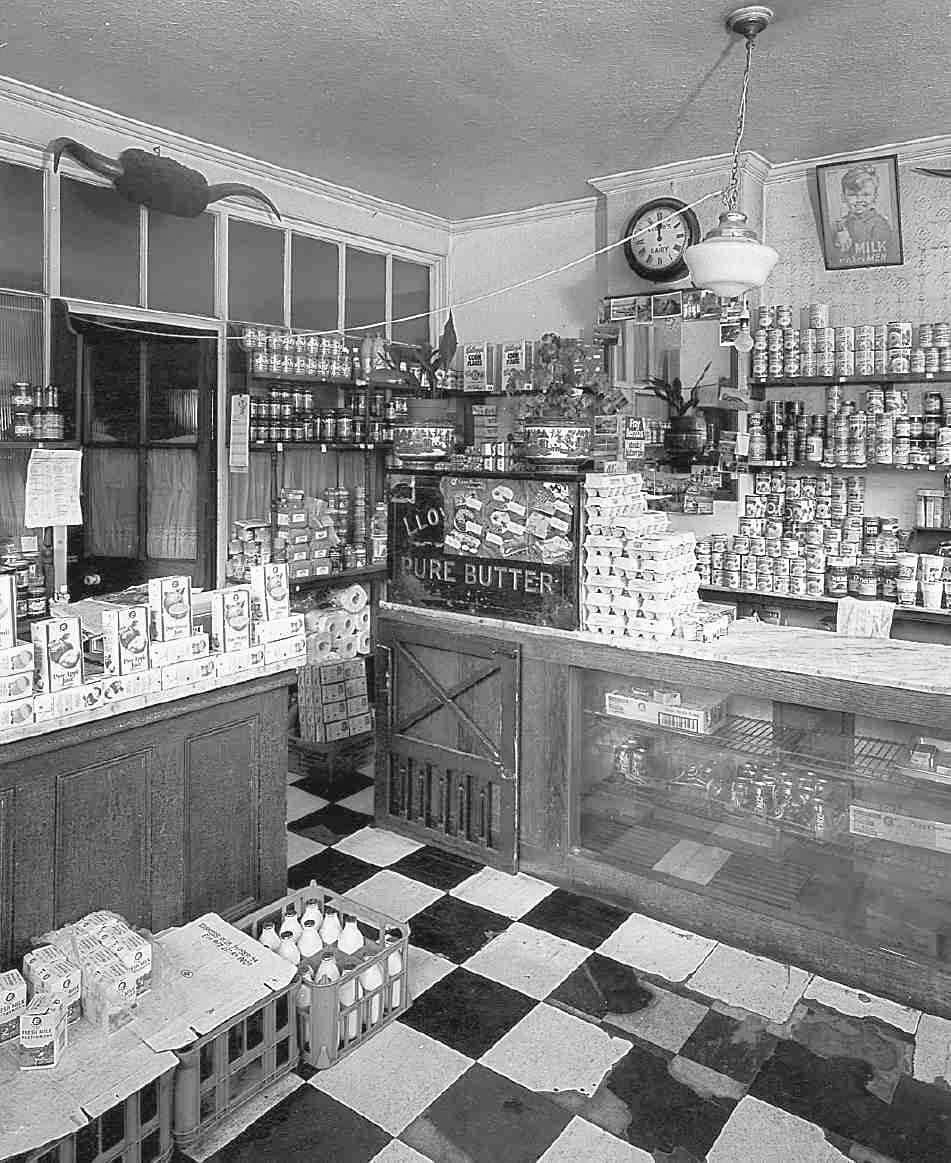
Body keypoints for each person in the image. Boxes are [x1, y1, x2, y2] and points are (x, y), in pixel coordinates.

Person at [830, 165, 897, 265]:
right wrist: (838, 241)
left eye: (866, 195)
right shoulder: (839, 225)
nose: (859, 200)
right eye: (852, 195)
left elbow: (879, 258)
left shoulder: (880, 224)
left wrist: (845, 246)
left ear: (875, 197)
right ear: (843, 197)